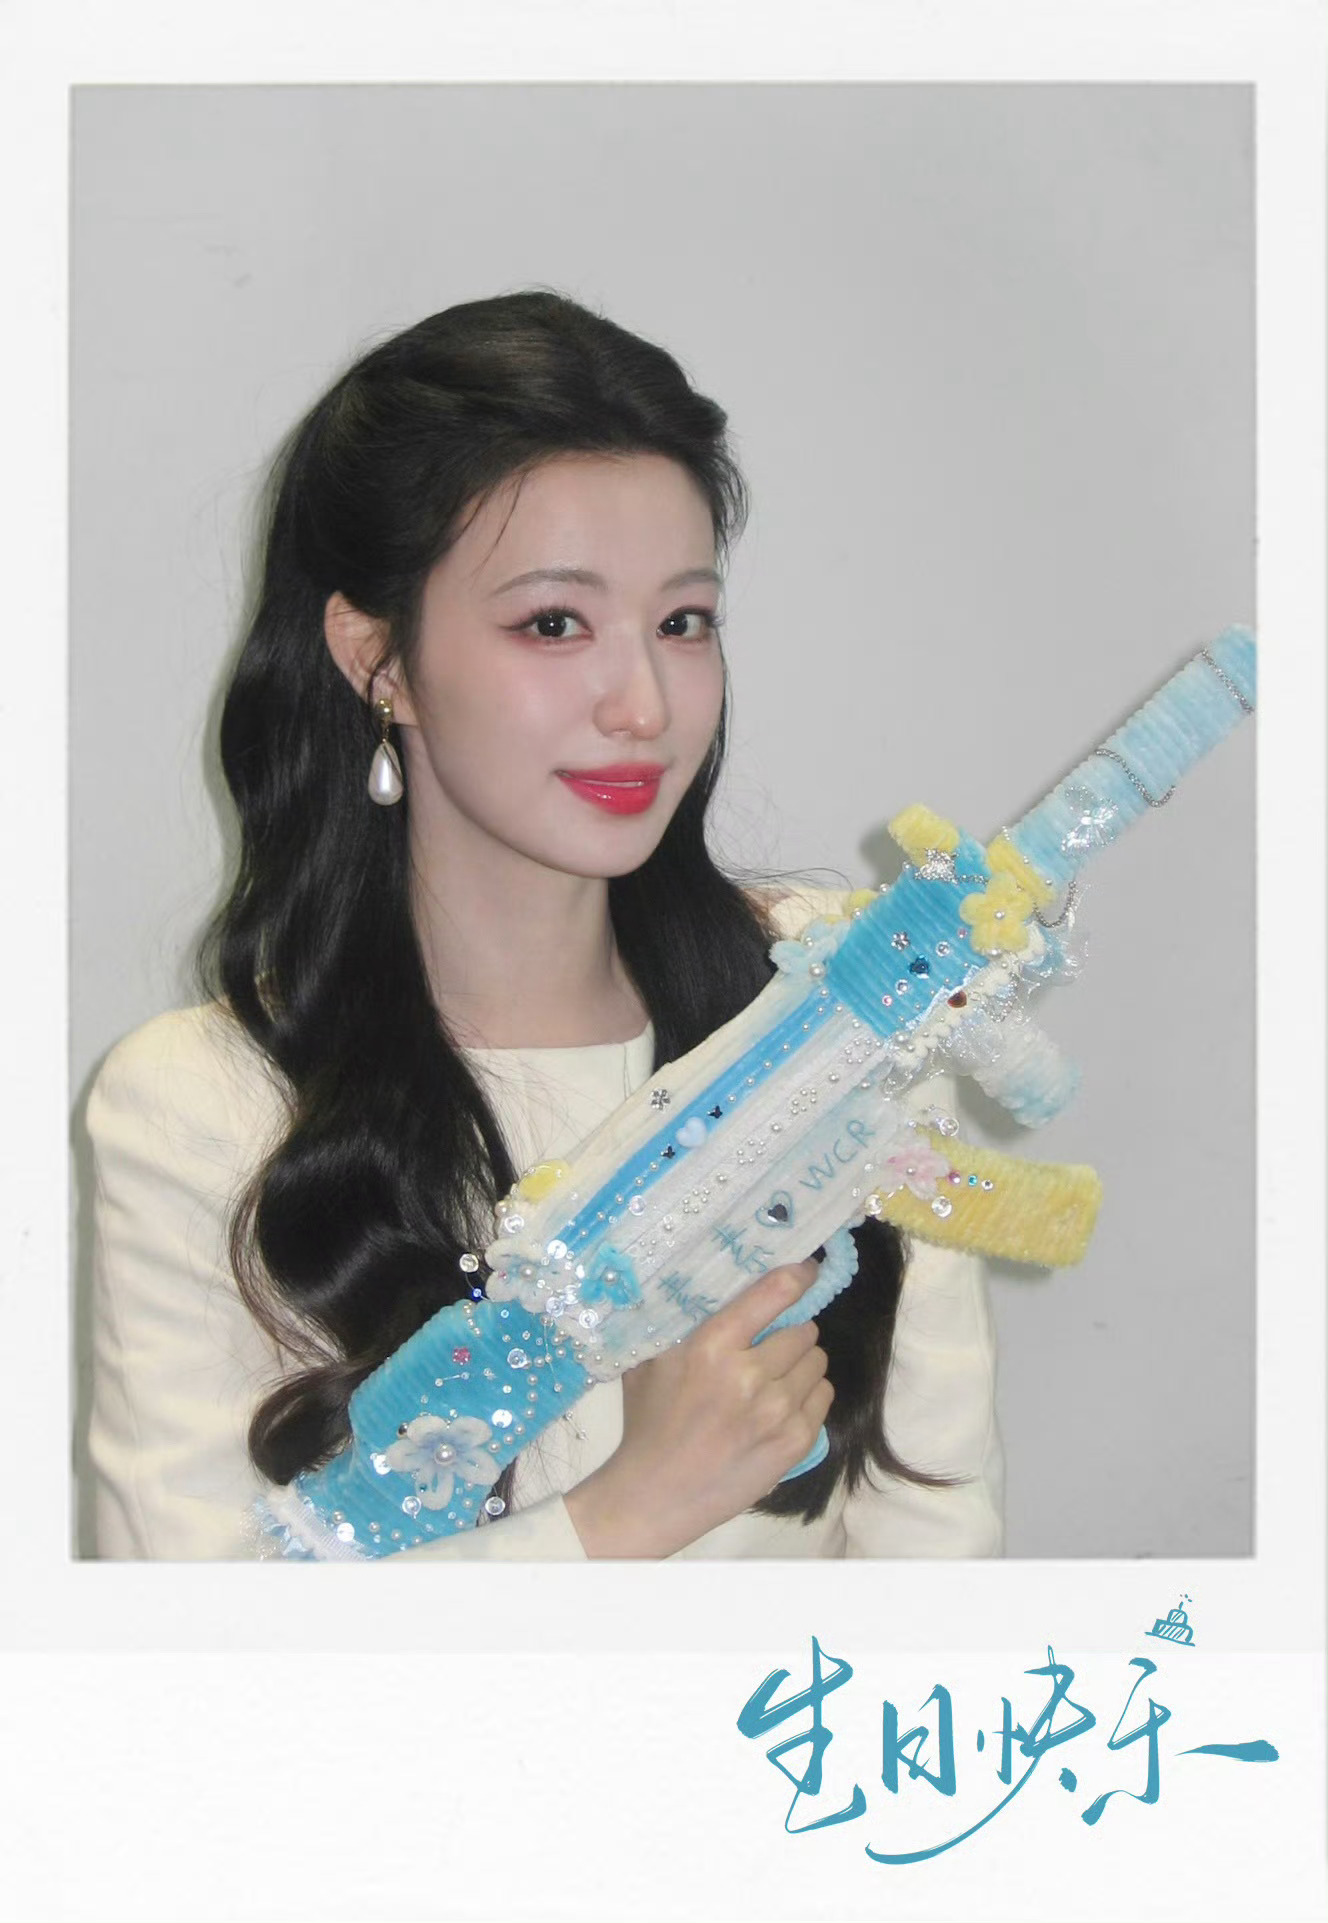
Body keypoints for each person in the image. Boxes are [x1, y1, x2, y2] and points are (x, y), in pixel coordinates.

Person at [85, 289, 1003, 1560]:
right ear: (376, 659)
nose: (644, 706)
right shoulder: (203, 1107)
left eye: (681, 622)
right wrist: (622, 1513)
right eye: (553, 624)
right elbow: (194, 1655)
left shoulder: (830, 1001)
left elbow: (939, 1573)